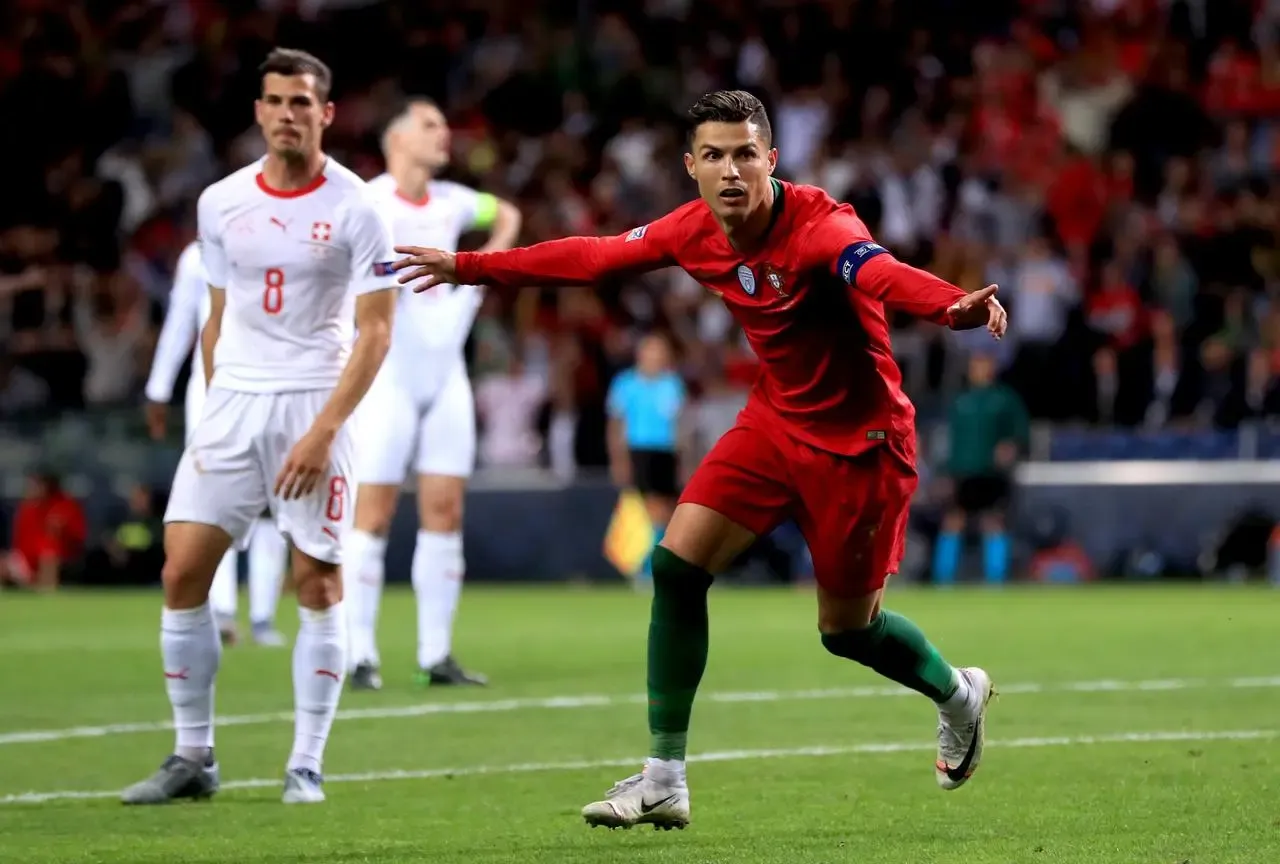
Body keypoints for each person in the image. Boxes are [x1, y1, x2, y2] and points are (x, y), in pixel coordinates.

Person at [394, 90, 1007, 830]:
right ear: (691, 167)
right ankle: (663, 777)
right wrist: (472, 266)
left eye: (745, 153)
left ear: (771, 160)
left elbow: (876, 271)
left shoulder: (821, 225)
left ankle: (957, 694)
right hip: (776, 422)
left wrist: (949, 307)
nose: (730, 171)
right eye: (712, 156)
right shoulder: (693, 230)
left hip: (861, 445)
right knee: (676, 564)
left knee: (848, 632)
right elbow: (594, 258)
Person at [121, 48, 398, 806]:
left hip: (316, 402)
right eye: (275, 100)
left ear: (326, 113)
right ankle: (193, 756)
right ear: (258, 110)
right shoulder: (219, 202)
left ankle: (305, 762)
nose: (286, 114)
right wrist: (213, 405)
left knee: (317, 579)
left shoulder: (357, 207)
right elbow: (217, 315)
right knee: (181, 572)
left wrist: (323, 430)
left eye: (301, 103)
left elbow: (375, 333)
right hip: (233, 406)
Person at [343, 97, 521, 692]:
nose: (444, 134)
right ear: (396, 139)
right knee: (373, 515)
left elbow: (509, 213)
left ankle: (436, 654)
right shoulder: (368, 200)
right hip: (389, 374)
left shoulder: (454, 202)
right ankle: (357, 653)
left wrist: (479, 272)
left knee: (445, 513)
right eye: (430, 125)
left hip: (444, 374)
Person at [145, 240, 289, 646]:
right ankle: (221, 608)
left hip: (272, 385)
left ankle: (262, 615)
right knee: (213, 500)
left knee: (270, 502)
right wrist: (158, 388)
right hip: (210, 390)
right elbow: (180, 323)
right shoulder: (198, 255)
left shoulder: (283, 246)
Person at [933, 351, 1029, 585]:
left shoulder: (1005, 399)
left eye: (984, 363)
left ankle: (995, 580)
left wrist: (1010, 447)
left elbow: (1020, 432)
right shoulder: (959, 400)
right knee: (953, 521)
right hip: (961, 472)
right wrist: (944, 472)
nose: (979, 368)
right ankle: (942, 580)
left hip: (991, 472)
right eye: (975, 364)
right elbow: (949, 439)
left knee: (993, 522)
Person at [606, 332, 687, 581]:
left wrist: (684, 459)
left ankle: (658, 563)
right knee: (652, 508)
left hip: (666, 451)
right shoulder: (626, 383)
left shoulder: (672, 383)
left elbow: (680, 424)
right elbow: (615, 424)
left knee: (667, 510)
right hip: (639, 450)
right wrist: (617, 459)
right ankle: (650, 567)